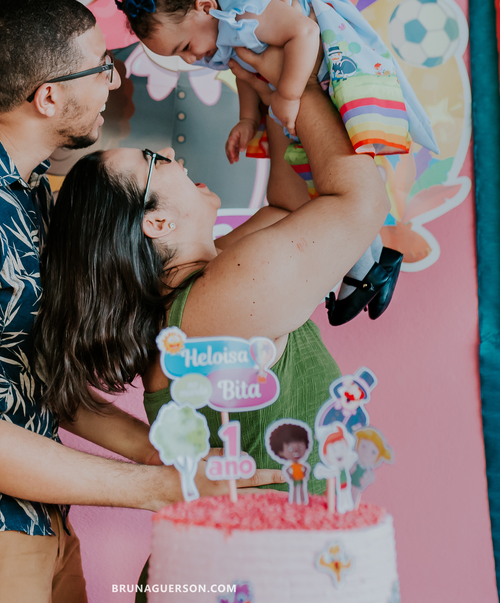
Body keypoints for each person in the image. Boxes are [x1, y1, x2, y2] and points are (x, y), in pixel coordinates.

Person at [0, 0, 278, 603]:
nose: (114, 78)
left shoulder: (24, 188)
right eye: (101, 66)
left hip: (32, 508)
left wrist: (166, 458)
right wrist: (157, 489)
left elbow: (38, 375)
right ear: (48, 96)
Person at [33, 42, 392, 505]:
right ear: (157, 223)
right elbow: (362, 204)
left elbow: (287, 203)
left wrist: (265, 87)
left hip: (262, 558)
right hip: (258, 568)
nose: (167, 149)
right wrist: (296, 84)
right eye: (154, 161)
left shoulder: (203, 293)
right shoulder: (214, 306)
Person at [115, 0, 438, 324]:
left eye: (184, 47)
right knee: (309, 183)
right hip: (295, 89)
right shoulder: (222, 26)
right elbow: (243, 66)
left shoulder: (248, 9)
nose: (190, 60)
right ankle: (371, 262)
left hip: (325, 78)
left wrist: (287, 95)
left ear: (205, 6)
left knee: (332, 184)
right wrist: (248, 119)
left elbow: (305, 32)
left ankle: (367, 267)